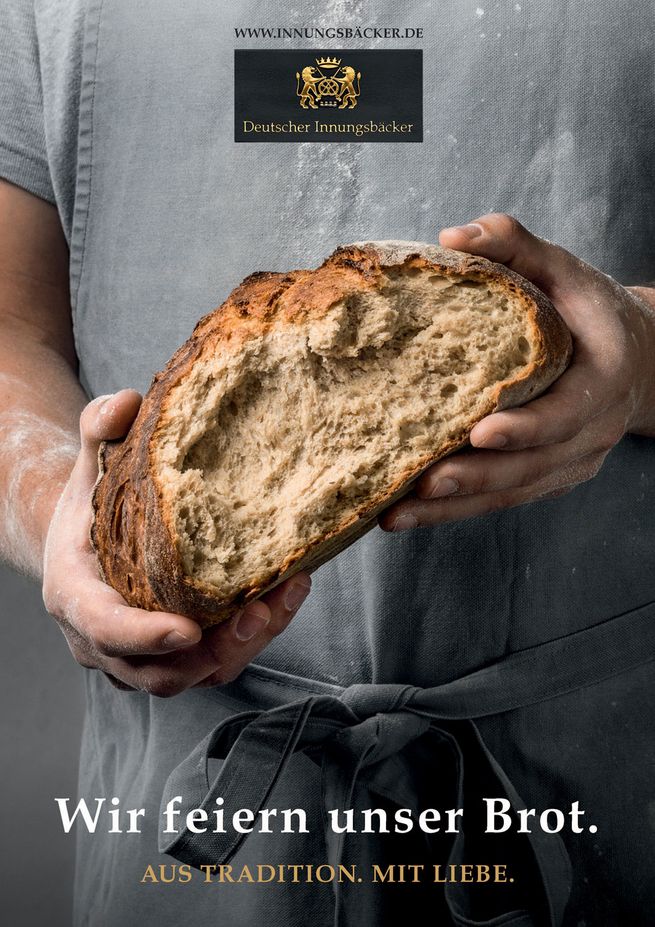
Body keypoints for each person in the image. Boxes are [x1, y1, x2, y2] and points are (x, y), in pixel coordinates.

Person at [1, 2, 654, 925]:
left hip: (585, 780)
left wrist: (643, 356)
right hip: (204, 798)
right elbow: (8, 326)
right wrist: (65, 521)